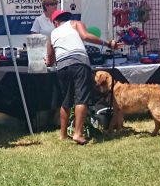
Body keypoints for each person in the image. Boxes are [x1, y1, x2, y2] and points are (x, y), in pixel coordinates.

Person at [46, 8, 116, 145]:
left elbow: (50, 61)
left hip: (62, 66)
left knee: (66, 100)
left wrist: (47, 61)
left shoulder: (52, 35)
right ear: (68, 18)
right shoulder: (75, 23)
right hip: (79, 62)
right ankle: (78, 133)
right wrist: (107, 43)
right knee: (81, 98)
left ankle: (63, 134)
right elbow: (85, 36)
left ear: (55, 22)